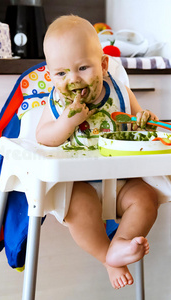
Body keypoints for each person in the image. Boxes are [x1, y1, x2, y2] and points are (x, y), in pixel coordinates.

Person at [36, 15, 159, 289]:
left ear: (103, 65)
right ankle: (108, 258)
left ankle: (122, 243)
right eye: (61, 73)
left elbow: (143, 126)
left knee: (146, 198)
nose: (73, 79)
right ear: (50, 74)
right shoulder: (56, 104)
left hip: (122, 182)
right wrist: (66, 123)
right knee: (79, 209)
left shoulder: (121, 93)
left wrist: (144, 120)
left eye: (82, 67)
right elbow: (42, 137)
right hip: (79, 185)